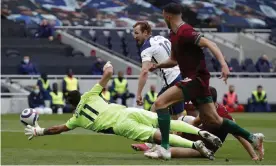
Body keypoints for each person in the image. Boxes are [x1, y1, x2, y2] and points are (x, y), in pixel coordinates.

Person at [24, 62, 222, 160]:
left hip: (121, 125)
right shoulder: (90, 95)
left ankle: (195, 144)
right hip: (128, 111)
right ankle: (199, 131)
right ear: (80, 95)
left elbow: (58, 129)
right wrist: (107, 65)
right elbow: (109, 72)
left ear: (69, 103)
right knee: (164, 123)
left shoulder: (76, 119)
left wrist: (38, 131)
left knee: (159, 136)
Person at [146, 3, 264, 159]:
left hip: (195, 79)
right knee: (213, 119)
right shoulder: (173, 34)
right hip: (197, 81)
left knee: (160, 103)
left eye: (163, 16)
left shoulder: (185, 31)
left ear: (167, 16)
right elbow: (173, 60)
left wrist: (223, 65)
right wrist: (158, 65)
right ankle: (252, 138)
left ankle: (165, 148)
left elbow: (210, 43)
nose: (163, 19)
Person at [132, 87, 263, 161]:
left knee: (185, 151)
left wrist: (253, 156)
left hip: (206, 147)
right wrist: (181, 133)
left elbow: (240, 135)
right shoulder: (207, 109)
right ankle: (152, 144)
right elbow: (195, 122)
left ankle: (160, 150)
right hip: (198, 135)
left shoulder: (223, 117)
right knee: (182, 121)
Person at [133, 21, 184, 119]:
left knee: (155, 109)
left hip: (172, 80)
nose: (134, 36)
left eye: (136, 33)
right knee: (177, 117)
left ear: (145, 33)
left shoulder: (146, 47)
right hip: (180, 76)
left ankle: (156, 134)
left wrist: (139, 93)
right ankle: (196, 130)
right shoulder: (161, 38)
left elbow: (144, 72)